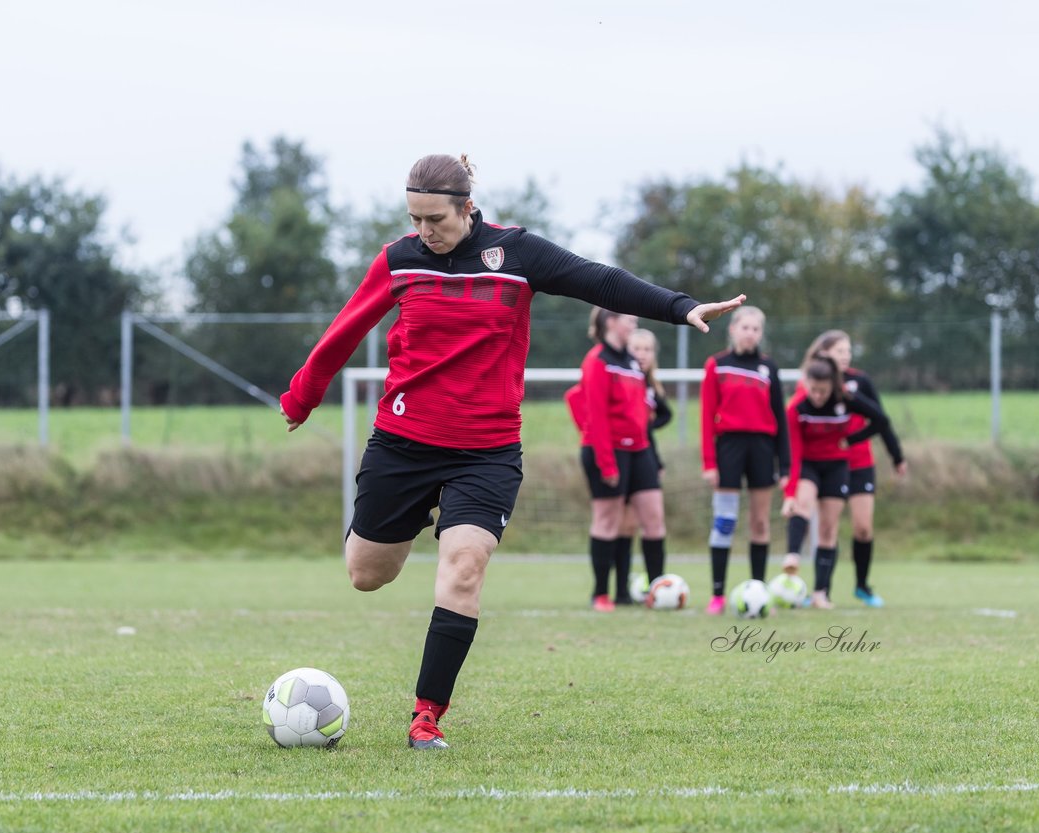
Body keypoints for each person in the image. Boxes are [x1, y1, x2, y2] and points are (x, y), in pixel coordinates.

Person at [279, 153, 745, 750]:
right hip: (404, 441)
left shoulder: (517, 256)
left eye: (436, 220)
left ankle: (427, 715)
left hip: (486, 449)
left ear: (468, 208)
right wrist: (302, 397)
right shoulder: (399, 261)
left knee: (465, 569)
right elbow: (346, 327)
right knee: (367, 574)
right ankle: (413, 511)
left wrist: (680, 306)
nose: (426, 232)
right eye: (415, 219)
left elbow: (598, 279)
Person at [779, 354, 900, 608]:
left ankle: (820, 594)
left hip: (837, 466)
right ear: (806, 384)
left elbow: (881, 419)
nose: (818, 396)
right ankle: (792, 555)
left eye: (823, 391)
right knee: (803, 503)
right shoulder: (797, 407)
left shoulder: (846, 399)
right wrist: (789, 493)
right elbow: (795, 453)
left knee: (828, 529)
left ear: (833, 386)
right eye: (813, 390)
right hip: (809, 465)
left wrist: (853, 439)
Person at [566, 314, 669, 611]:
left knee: (653, 519)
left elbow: (642, 412)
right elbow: (595, 416)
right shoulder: (597, 360)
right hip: (607, 450)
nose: (634, 325)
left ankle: (657, 591)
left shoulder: (633, 362)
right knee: (607, 520)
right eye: (629, 320)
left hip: (640, 450)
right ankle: (601, 593)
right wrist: (607, 464)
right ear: (610, 322)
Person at [804, 330, 908, 607]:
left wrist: (896, 455)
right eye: (840, 350)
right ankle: (821, 590)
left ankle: (862, 586)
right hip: (826, 463)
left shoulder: (859, 381)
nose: (845, 355)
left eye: (848, 350)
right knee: (828, 528)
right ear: (824, 353)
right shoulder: (814, 382)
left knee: (863, 527)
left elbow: (881, 419)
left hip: (859, 462)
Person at [698, 306, 790, 615]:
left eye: (755, 329)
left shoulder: (768, 368)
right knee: (724, 523)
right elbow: (706, 417)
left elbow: (781, 419)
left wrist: (785, 465)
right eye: (745, 327)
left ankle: (757, 590)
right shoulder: (717, 364)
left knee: (760, 522)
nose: (750, 333)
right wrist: (709, 463)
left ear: (761, 334)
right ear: (733, 329)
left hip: (763, 448)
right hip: (729, 447)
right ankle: (717, 595)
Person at [617, 328, 673, 602]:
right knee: (625, 524)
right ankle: (619, 591)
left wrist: (656, 455)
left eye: (647, 349)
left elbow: (666, 415)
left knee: (654, 521)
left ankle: (657, 590)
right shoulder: (621, 380)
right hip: (622, 455)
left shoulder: (651, 387)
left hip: (646, 457)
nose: (641, 354)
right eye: (636, 348)